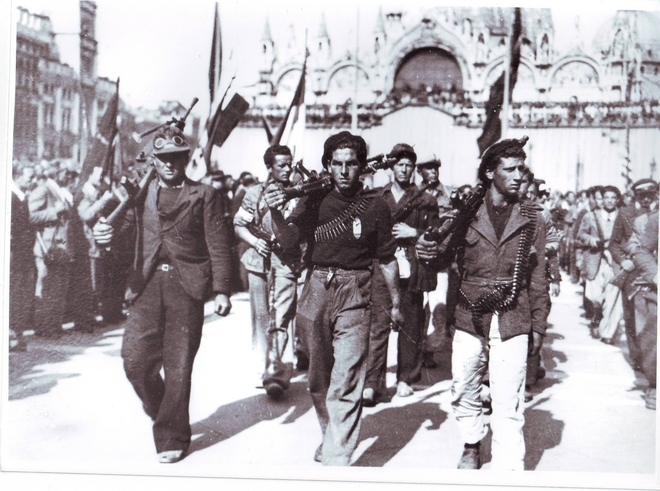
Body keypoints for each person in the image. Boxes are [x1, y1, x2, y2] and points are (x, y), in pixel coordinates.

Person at [92, 120, 233, 464]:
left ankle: (172, 435)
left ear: (185, 159)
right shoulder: (141, 194)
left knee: (178, 364)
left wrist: (222, 290)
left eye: (176, 157)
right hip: (146, 285)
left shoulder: (205, 194)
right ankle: (162, 409)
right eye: (163, 158)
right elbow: (124, 234)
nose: (169, 164)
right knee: (135, 362)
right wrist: (104, 236)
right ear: (153, 161)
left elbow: (218, 244)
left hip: (187, 286)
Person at [264, 131, 403, 466]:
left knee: (347, 376)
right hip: (316, 286)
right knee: (319, 378)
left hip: (356, 288)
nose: (343, 171)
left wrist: (396, 302)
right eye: (337, 164)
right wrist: (277, 213)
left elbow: (387, 258)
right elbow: (288, 240)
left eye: (351, 164)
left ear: (361, 166)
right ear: (328, 165)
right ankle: (331, 436)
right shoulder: (314, 200)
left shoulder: (376, 205)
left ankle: (336, 458)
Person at [416, 137, 548, 470]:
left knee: (508, 397)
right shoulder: (466, 213)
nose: (518, 176)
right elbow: (441, 258)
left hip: (513, 314)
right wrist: (426, 250)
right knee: (463, 386)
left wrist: (539, 325)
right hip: (469, 313)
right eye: (510, 169)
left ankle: (508, 469)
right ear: (490, 172)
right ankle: (472, 442)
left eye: (521, 169)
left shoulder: (533, 218)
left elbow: (538, 278)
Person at [364, 143, 439, 405]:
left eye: (409, 165)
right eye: (399, 165)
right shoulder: (378, 197)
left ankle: (406, 377)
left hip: (412, 268)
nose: (404, 169)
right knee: (378, 324)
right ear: (391, 168)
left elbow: (438, 234)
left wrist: (414, 233)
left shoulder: (426, 200)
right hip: (382, 268)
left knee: (410, 324)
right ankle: (372, 383)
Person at [234, 145, 304, 399]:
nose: (287, 169)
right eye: (281, 165)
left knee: (283, 316)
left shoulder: (298, 191)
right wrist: (255, 242)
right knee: (261, 316)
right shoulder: (255, 193)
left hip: (287, 261)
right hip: (259, 261)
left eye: (289, 164)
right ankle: (262, 367)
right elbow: (239, 224)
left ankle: (278, 371)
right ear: (269, 167)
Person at [608, 179, 658, 367]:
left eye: (650, 195)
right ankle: (637, 358)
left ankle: (648, 361)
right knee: (632, 317)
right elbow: (613, 243)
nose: (646, 199)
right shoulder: (625, 213)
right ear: (636, 195)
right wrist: (623, 260)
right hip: (633, 273)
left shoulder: (656, 213)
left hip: (652, 273)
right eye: (642, 196)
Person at [416, 157, 454, 368]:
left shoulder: (448, 194)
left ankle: (429, 350)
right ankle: (415, 348)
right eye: (428, 167)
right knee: (417, 308)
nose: (433, 171)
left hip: (440, 260)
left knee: (439, 307)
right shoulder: (413, 193)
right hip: (418, 260)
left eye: (436, 167)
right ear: (420, 171)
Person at [577, 185, 622, 341]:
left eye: (613, 198)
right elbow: (581, 234)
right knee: (594, 296)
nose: (609, 201)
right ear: (601, 199)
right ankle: (597, 315)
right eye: (606, 197)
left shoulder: (622, 217)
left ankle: (607, 332)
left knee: (612, 297)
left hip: (614, 262)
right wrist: (591, 240)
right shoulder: (590, 216)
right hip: (595, 259)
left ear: (617, 200)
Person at [627, 209, 658, 409]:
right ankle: (655, 384)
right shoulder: (657, 219)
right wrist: (655, 275)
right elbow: (641, 251)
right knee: (654, 340)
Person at [9, 165, 36, 351]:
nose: (31, 181)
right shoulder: (10, 196)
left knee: (20, 295)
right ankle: (11, 336)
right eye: (28, 177)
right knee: (13, 295)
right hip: (14, 255)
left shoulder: (20, 196)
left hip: (23, 254)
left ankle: (16, 336)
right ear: (17, 176)